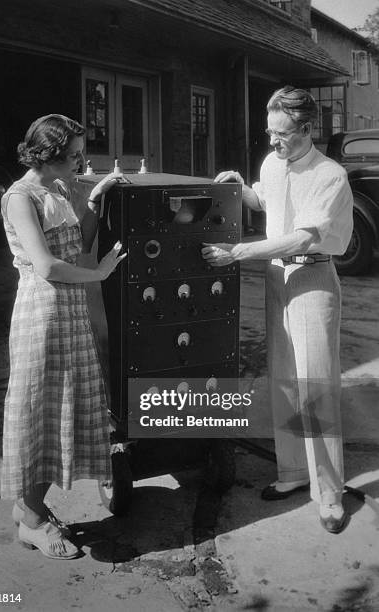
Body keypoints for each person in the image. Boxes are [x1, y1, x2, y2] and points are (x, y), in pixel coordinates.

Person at [202, 86, 353, 534]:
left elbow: (304, 237)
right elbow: (269, 202)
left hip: (311, 279)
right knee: (284, 380)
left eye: (282, 134)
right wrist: (242, 188)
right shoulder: (273, 162)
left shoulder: (330, 175)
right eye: (269, 133)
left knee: (315, 387)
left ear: (308, 129)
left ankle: (329, 495)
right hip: (276, 277)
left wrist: (236, 253)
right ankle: (292, 472)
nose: (273, 142)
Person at [0, 114, 126, 559]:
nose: (80, 160)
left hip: (69, 310)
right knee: (44, 411)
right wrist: (99, 274)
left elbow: (77, 242)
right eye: (73, 155)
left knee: (65, 411)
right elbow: (47, 265)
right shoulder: (21, 196)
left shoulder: (56, 190)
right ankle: (32, 520)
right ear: (49, 155)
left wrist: (94, 196)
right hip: (44, 310)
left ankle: (30, 507)